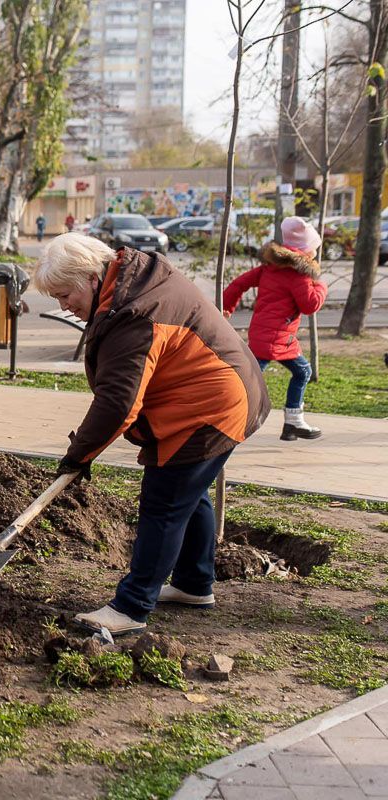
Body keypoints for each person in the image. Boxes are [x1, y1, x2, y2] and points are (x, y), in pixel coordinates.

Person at [34, 233, 269, 637]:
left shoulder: (134, 313)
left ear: (90, 276)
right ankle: (195, 584)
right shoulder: (133, 280)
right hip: (221, 393)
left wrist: (79, 454)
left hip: (209, 408)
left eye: (64, 294)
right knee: (188, 497)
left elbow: (118, 404)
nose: (64, 306)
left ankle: (132, 606)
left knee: (163, 503)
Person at [223, 217, 327, 441]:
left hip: (268, 334)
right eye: (314, 249)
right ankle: (226, 416)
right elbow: (310, 305)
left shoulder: (269, 268)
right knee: (252, 378)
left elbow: (237, 284)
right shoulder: (298, 275)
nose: (316, 254)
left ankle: (291, 425)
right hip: (276, 338)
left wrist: (226, 306)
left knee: (258, 374)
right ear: (306, 251)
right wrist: (320, 286)